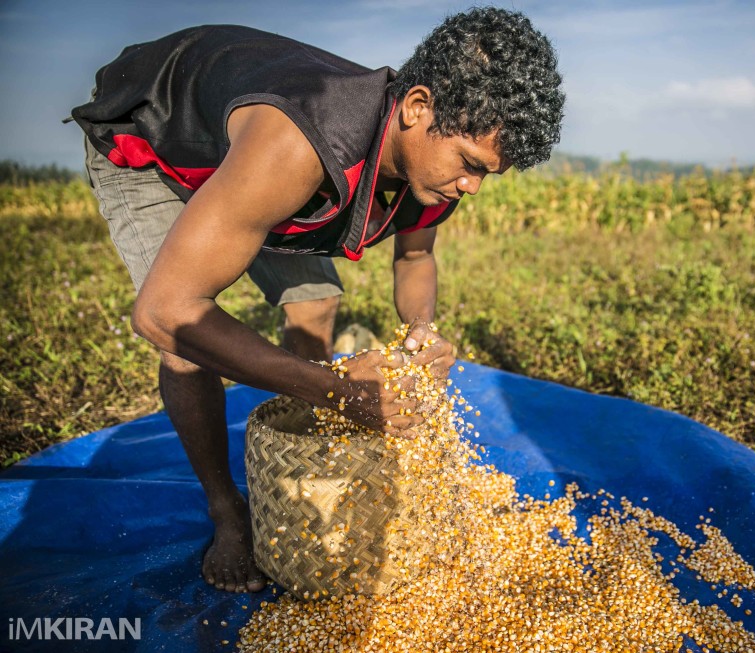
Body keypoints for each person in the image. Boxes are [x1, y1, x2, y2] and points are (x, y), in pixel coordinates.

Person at [69, 9, 564, 593]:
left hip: (253, 170)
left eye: (489, 175)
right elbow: (165, 313)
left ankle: (302, 453)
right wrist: (335, 389)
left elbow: (414, 259)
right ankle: (228, 510)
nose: (472, 188)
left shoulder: (434, 173)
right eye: (470, 166)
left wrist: (421, 330)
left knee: (316, 301)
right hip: (153, 143)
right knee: (189, 345)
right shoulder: (298, 143)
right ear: (416, 107)